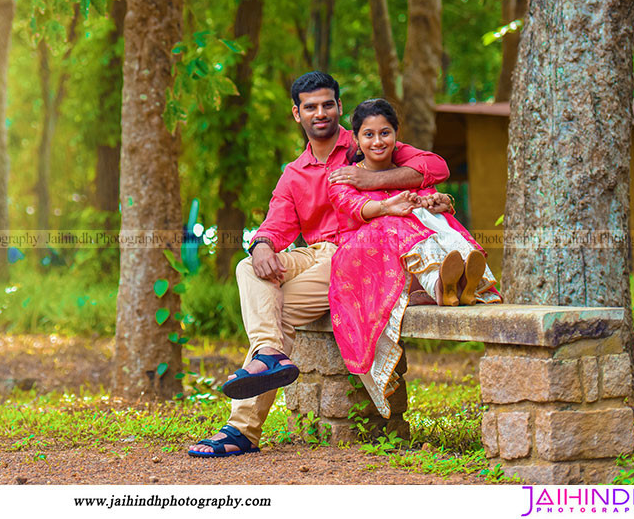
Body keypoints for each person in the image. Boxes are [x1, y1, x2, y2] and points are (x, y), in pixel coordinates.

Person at [187, 72, 453, 457]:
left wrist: (367, 178)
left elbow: (434, 167)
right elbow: (275, 225)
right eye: (310, 107)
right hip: (315, 255)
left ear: (340, 107)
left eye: (328, 104)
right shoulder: (294, 174)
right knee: (248, 268)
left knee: (276, 314)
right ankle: (268, 354)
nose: (320, 112)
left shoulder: (367, 142)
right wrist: (260, 246)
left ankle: (242, 429)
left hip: (360, 255)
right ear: (297, 114)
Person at [327, 98, 501, 418]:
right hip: (362, 257)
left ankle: (455, 286)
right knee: (396, 225)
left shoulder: (405, 174)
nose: (378, 141)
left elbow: (436, 175)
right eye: (368, 135)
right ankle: (443, 285)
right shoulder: (345, 176)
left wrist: (436, 202)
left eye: (385, 133)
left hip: (405, 258)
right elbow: (351, 209)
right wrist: (386, 207)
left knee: (437, 224)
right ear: (356, 139)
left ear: (397, 135)